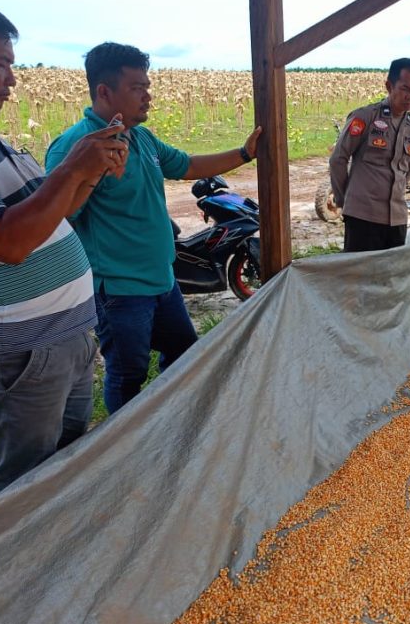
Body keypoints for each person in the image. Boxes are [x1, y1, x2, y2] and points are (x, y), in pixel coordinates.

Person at [0, 0, 128, 499]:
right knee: (19, 492)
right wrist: (71, 168)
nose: (12, 79)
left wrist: (90, 175)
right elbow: (9, 242)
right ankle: (1, 574)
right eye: (1, 63)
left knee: (62, 471)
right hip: (17, 356)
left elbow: (54, 213)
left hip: (60, 341)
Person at [46, 42, 262, 415]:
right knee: (127, 374)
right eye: (137, 88)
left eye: (147, 86)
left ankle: (168, 422)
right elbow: (58, 218)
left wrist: (243, 154)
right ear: (104, 92)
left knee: (182, 355)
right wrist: (91, 173)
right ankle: (124, 447)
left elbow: (188, 165)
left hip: (163, 280)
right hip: (120, 290)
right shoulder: (74, 147)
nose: (148, 96)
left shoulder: (139, 137)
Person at [329, 57, 410, 252]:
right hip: (363, 217)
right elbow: (338, 159)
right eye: (405, 88)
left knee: (390, 280)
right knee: (358, 279)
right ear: (389, 86)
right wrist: (344, 199)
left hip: (397, 220)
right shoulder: (365, 117)